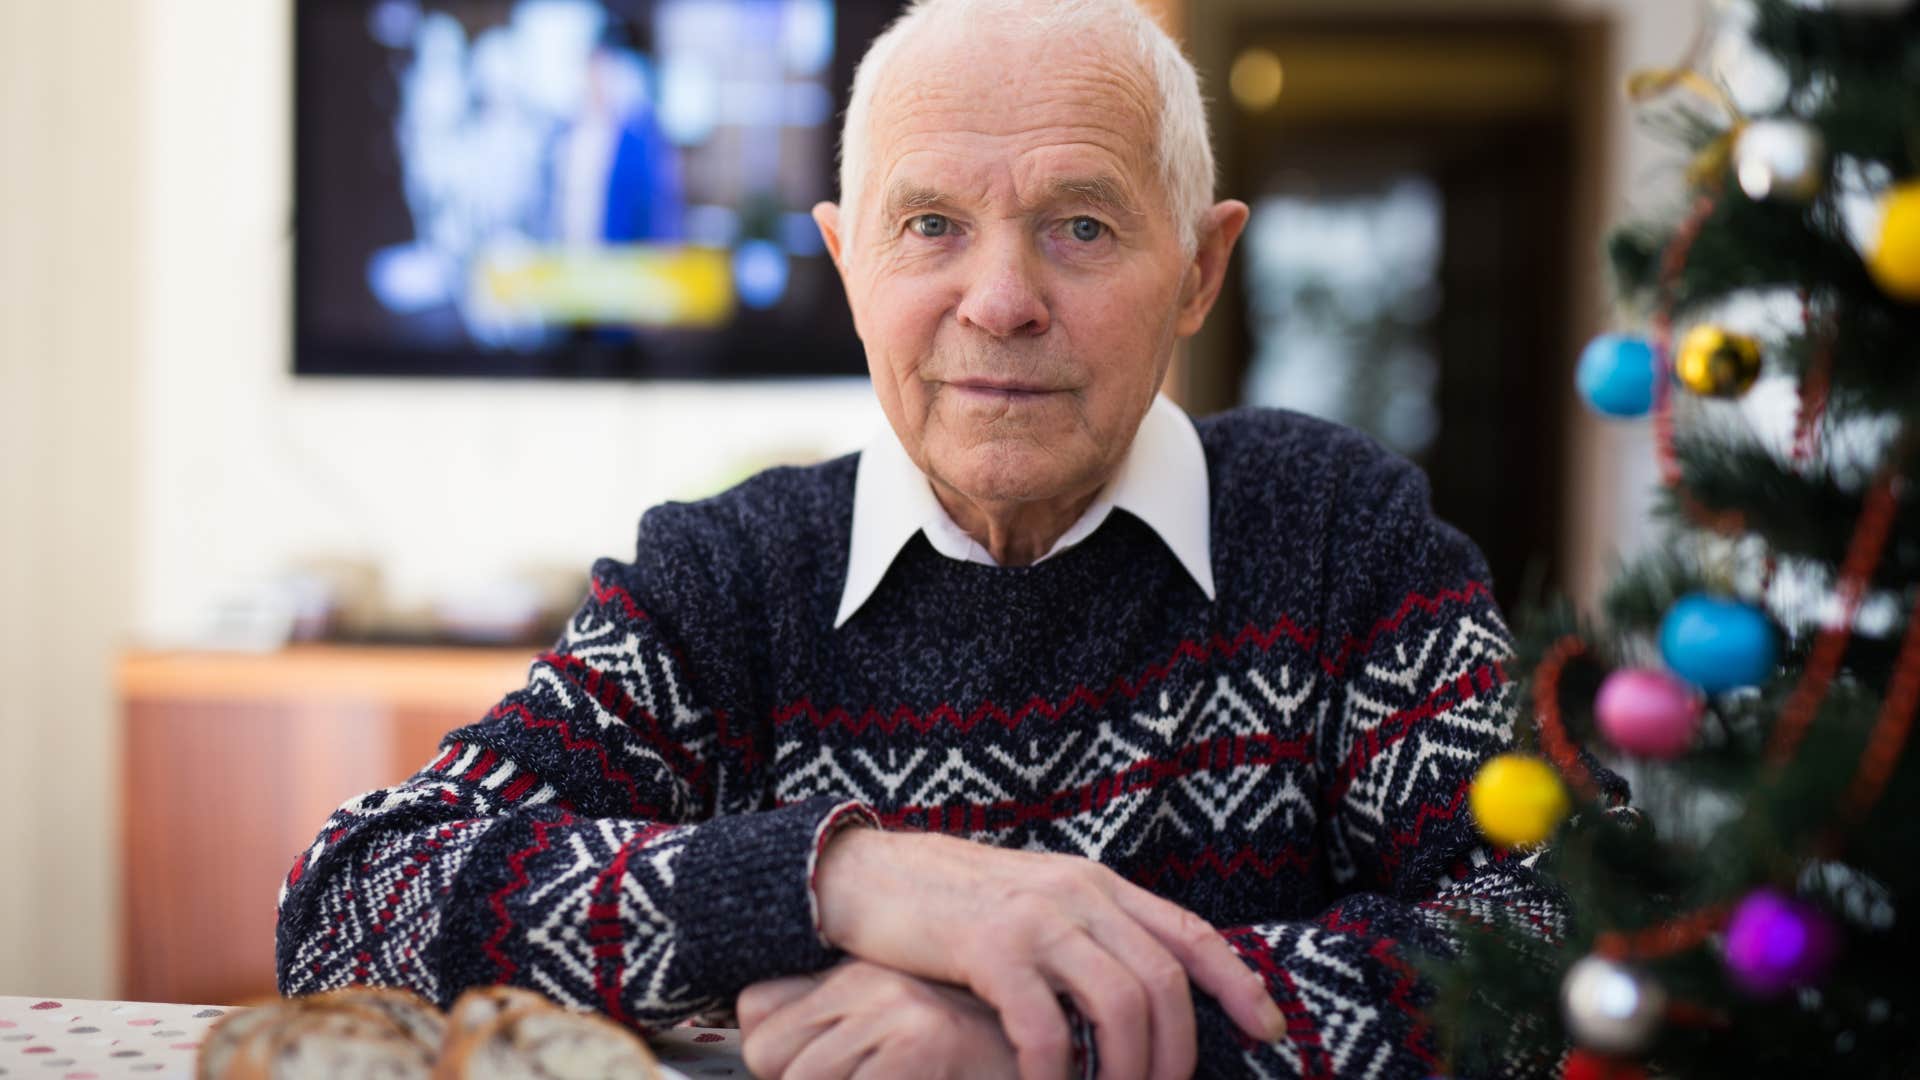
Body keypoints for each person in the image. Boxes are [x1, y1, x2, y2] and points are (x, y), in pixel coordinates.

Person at [277, 0, 1615, 1075]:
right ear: (848, 261)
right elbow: (354, 904)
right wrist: (842, 880)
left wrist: (1051, 1034)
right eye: (930, 227)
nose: (1001, 300)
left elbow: (1573, 927)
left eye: (1080, 226)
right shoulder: (724, 580)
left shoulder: (1337, 537)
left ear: (1201, 270)